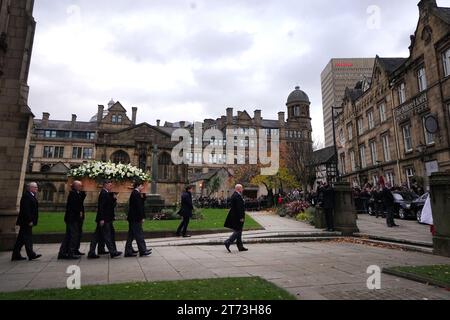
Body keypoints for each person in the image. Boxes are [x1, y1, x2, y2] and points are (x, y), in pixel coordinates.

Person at [88, 181, 122, 259]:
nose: (111, 187)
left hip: (107, 218)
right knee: (107, 236)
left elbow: (110, 206)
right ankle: (113, 252)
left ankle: (93, 251)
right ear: (105, 185)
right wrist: (102, 219)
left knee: (97, 236)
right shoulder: (103, 193)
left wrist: (114, 199)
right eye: (110, 185)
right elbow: (101, 207)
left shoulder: (107, 193)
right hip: (104, 219)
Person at [11, 182, 42, 261]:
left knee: (21, 239)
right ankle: (31, 254)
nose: (37, 189)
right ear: (30, 188)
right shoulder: (27, 197)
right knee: (28, 239)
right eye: (35, 187)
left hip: (26, 222)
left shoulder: (30, 196)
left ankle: (16, 255)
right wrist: (30, 220)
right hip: (26, 222)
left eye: (36, 187)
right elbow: (26, 210)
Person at [58, 181, 86, 260]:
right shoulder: (73, 194)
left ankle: (68, 251)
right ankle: (70, 252)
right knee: (72, 236)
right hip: (72, 218)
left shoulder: (77, 193)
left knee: (72, 235)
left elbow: (80, 201)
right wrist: (79, 213)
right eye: (80, 185)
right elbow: (75, 206)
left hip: (76, 218)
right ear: (75, 186)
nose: (81, 187)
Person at [125, 182, 152, 258]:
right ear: (137, 186)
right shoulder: (136, 193)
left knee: (131, 235)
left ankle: (128, 251)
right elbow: (139, 207)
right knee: (139, 234)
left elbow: (140, 204)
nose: (142, 187)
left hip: (133, 218)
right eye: (141, 186)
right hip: (135, 218)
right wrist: (142, 217)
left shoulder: (136, 193)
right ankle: (142, 251)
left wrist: (143, 197)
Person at [224, 184, 248, 252]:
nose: (242, 189)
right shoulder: (236, 196)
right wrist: (241, 217)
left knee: (239, 231)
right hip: (238, 217)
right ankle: (228, 242)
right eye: (241, 188)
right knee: (238, 231)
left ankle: (240, 247)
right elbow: (239, 208)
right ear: (238, 189)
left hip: (236, 216)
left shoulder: (236, 195)